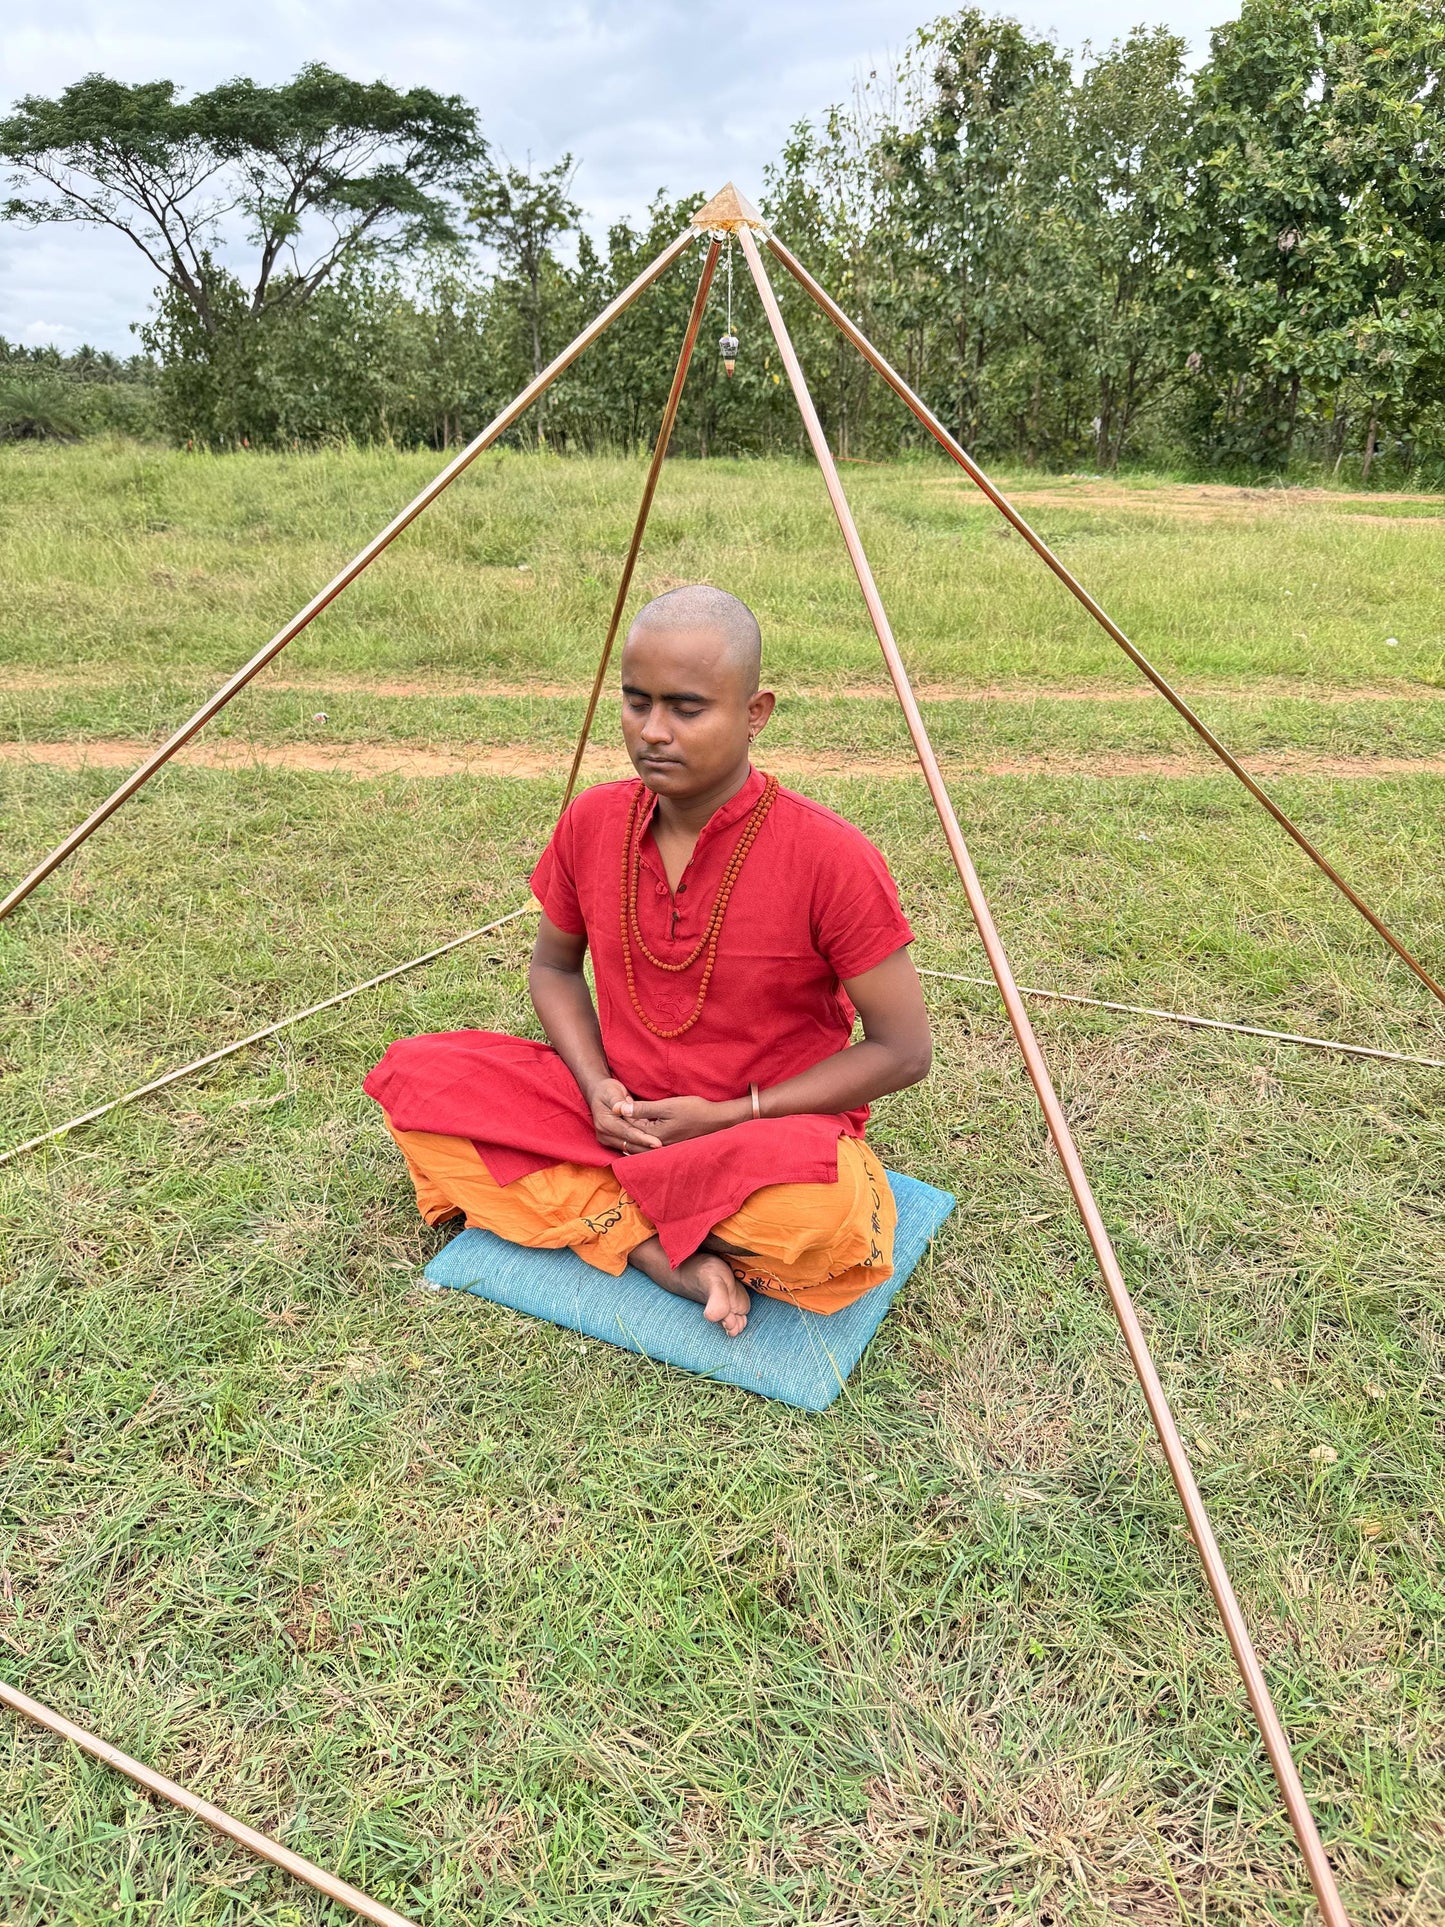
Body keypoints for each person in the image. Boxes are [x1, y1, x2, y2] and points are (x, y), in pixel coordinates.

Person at [365, 584, 932, 1338]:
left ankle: (603, 1209)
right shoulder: (593, 819)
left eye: (686, 708)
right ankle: (648, 1245)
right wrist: (598, 1085)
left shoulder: (830, 856)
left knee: (823, 1224)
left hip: (754, 1128)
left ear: (755, 713)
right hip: (614, 1113)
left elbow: (904, 1049)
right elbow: (554, 969)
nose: (653, 732)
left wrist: (730, 1114)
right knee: (417, 1081)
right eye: (636, 703)